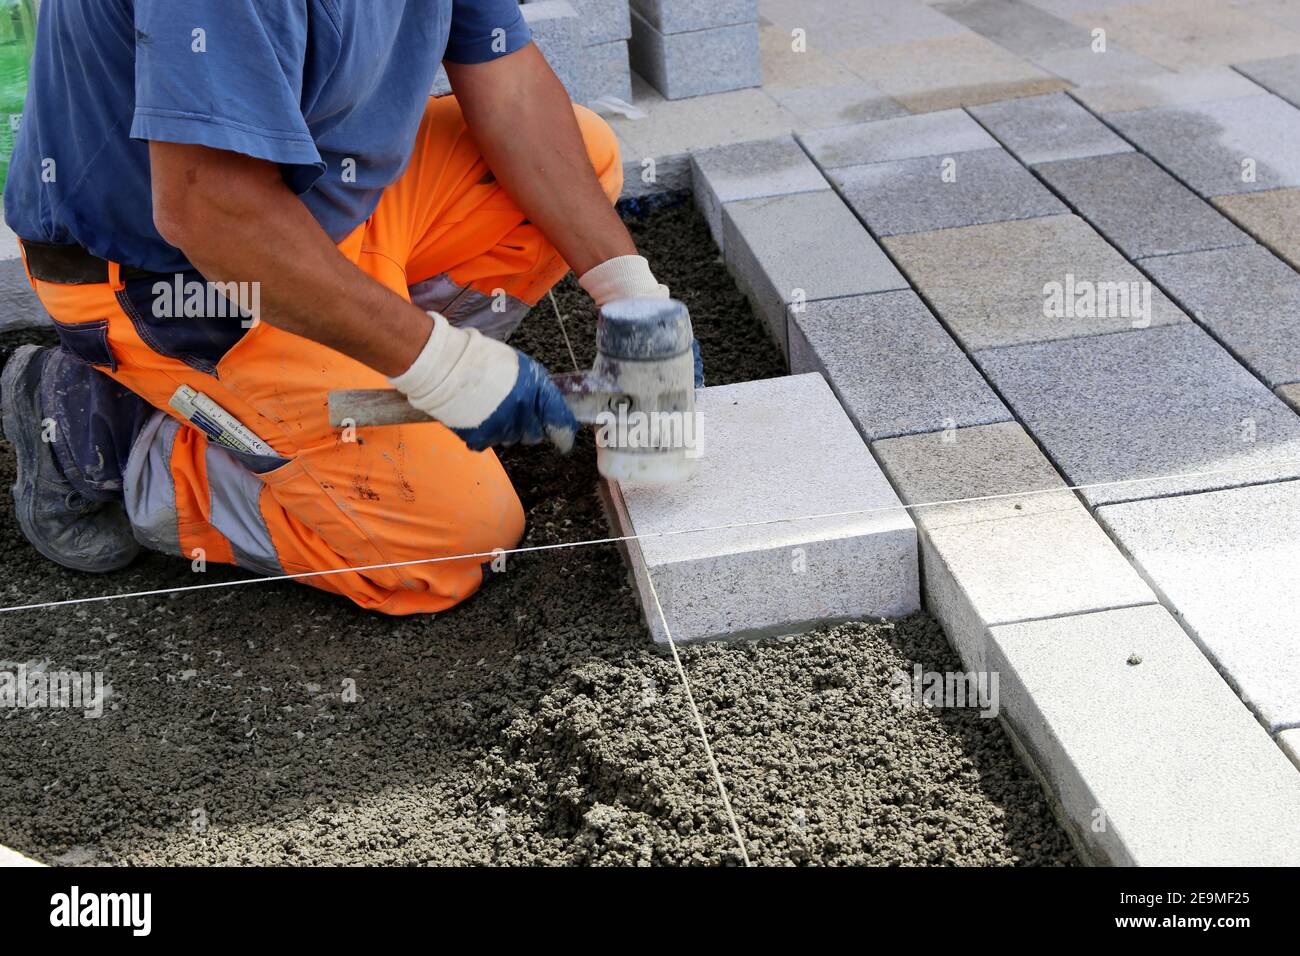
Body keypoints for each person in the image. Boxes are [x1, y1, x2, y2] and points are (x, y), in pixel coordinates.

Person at [0, 0, 679, 615]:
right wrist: (443, 366)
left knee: (581, 161)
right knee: (451, 545)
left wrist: (634, 298)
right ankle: (112, 437)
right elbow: (212, 216)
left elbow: (510, 86)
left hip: (322, 210)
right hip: (177, 277)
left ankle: (329, 393)